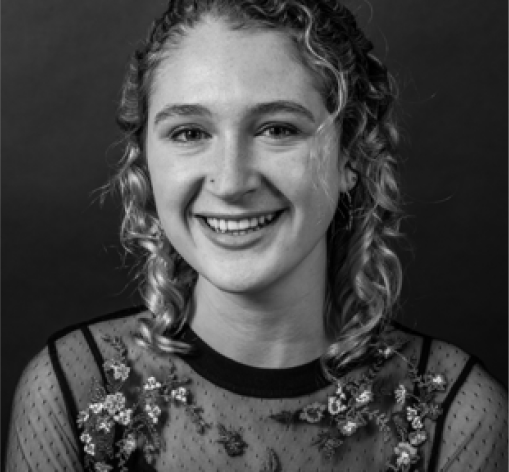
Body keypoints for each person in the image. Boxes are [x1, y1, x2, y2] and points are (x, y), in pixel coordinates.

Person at [5, 0, 509, 471]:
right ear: (146, 161)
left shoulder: (453, 410)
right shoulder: (72, 388)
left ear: (351, 153)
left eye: (277, 129)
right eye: (190, 132)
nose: (231, 181)